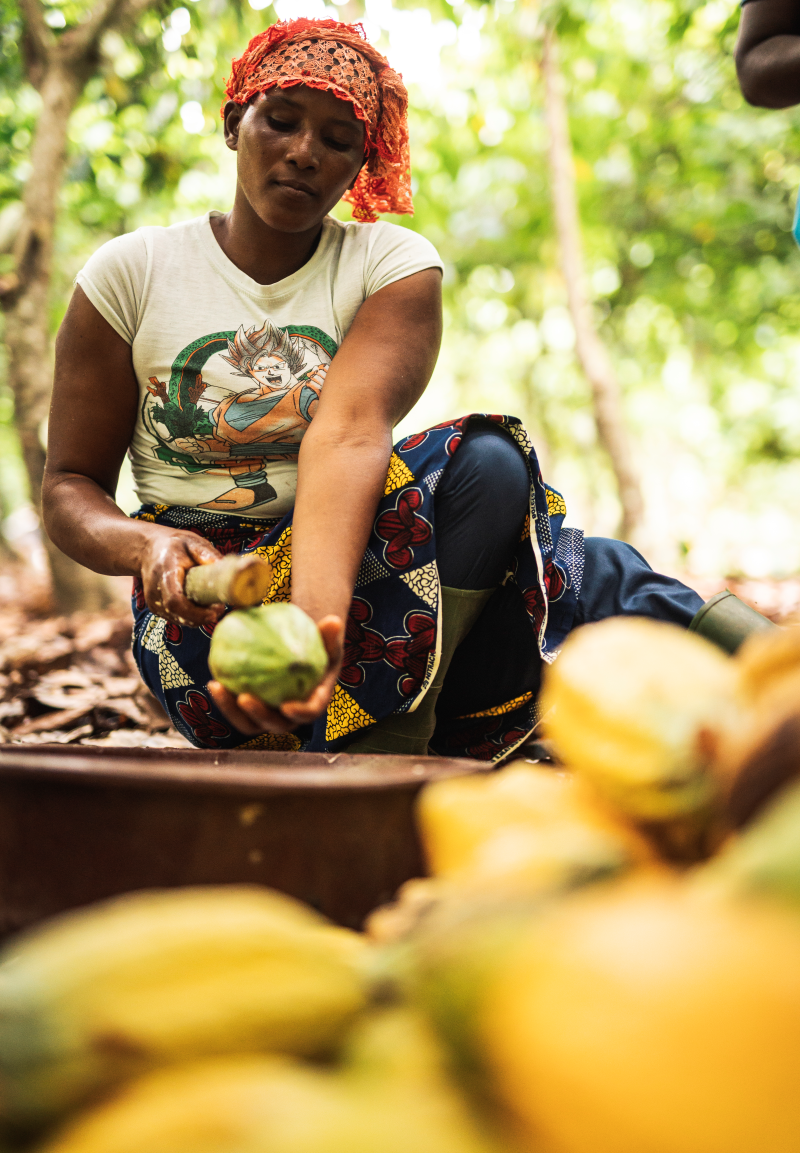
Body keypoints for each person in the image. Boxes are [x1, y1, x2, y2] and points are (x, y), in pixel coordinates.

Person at [42, 18, 765, 762]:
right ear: (234, 124)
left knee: (503, 485)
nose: (303, 153)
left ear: (362, 163)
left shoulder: (389, 262)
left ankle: (381, 749)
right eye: (281, 121)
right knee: (579, 574)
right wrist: (146, 545)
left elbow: (350, 431)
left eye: (337, 140)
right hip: (214, 607)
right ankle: (396, 742)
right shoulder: (131, 274)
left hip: (360, 562)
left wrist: (313, 631)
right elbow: (68, 486)